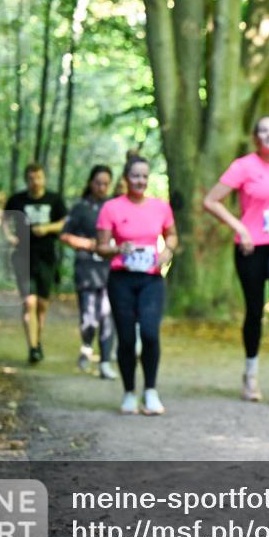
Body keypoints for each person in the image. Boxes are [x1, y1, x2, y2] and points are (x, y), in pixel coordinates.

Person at [202, 116, 269, 405]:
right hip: (250, 247)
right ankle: (250, 376)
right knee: (254, 311)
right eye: (263, 130)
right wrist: (239, 228)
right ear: (256, 137)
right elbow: (210, 201)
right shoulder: (243, 166)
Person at [95, 155, 177, 415]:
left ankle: (151, 391)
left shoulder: (160, 207)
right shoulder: (111, 208)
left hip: (151, 278)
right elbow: (101, 247)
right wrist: (119, 248)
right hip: (122, 279)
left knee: (151, 333)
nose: (140, 180)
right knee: (127, 338)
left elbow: (172, 235)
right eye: (135, 176)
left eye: (144, 176)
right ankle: (129, 392)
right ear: (126, 179)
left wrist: (168, 252)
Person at [4, 162, 68, 364]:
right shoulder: (17, 200)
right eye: (31, 178)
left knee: (41, 304)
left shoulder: (54, 199)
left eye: (39, 177)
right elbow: (4, 220)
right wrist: (9, 237)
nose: (35, 182)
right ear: (27, 179)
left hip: (47, 257)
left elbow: (65, 221)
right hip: (23, 256)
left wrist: (48, 228)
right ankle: (32, 347)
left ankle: (37, 340)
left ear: (44, 178)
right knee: (28, 302)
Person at [59, 164, 117, 380]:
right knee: (89, 317)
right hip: (85, 268)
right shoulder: (80, 208)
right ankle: (86, 346)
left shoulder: (113, 207)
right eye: (98, 183)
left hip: (109, 270)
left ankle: (104, 362)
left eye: (105, 183)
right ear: (90, 183)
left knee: (107, 315)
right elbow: (64, 235)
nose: (102, 187)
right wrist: (87, 244)